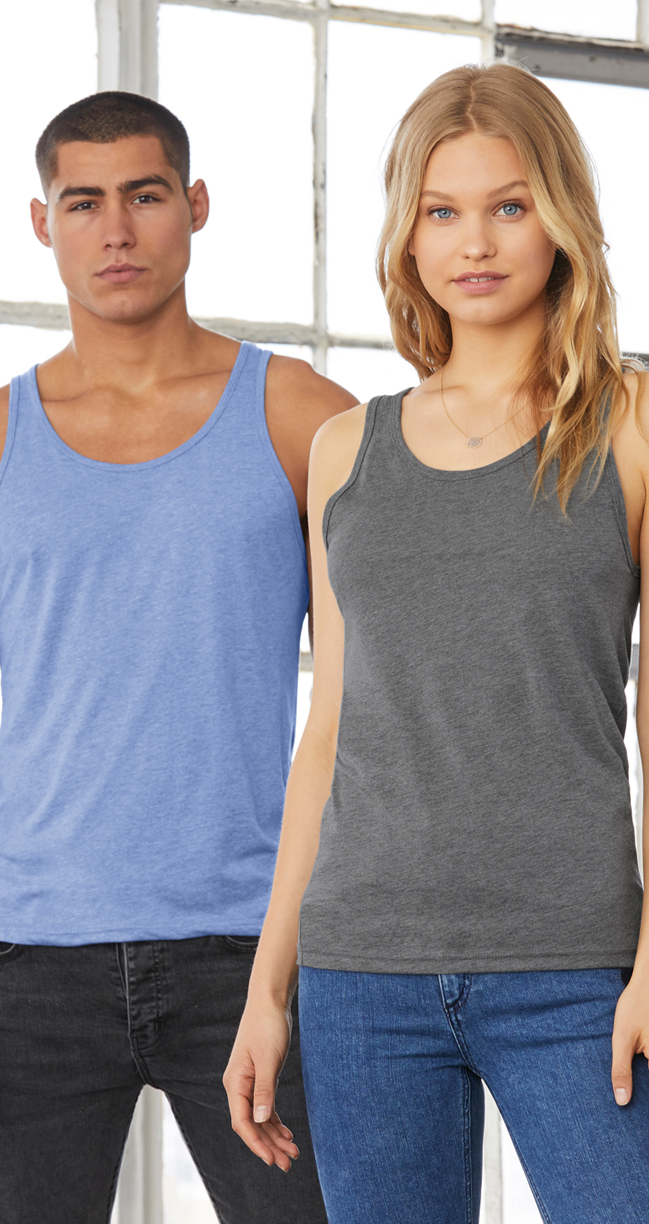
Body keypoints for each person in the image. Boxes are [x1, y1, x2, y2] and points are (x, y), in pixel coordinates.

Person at [0, 90, 355, 1222]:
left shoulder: (304, 419)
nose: (116, 231)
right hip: (28, 964)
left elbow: (371, 697)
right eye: (82, 203)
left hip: (255, 951)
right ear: (41, 223)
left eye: (144, 196)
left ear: (195, 206)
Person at [224, 62, 649, 1223]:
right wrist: (267, 992)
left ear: (559, 218)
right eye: (440, 210)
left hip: (575, 965)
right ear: (407, 236)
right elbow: (328, 736)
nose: (475, 242)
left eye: (508, 205)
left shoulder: (627, 425)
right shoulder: (344, 452)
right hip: (363, 973)